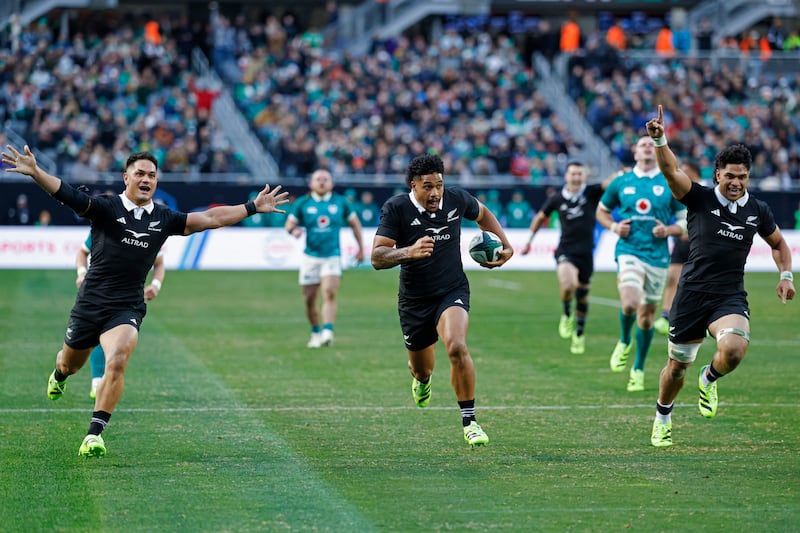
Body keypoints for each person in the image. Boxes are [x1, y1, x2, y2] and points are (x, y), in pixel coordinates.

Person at [2, 145, 289, 457]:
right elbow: (67, 193)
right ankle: (59, 375)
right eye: (140, 173)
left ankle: (94, 434)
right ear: (126, 177)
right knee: (69, 364)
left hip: (126, 306)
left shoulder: (164, 218)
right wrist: (35, 172)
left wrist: (251, 206)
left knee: (119, 358)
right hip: (90, 304)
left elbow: (210, 217)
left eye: (152, 175)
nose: (146, 179)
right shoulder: (106, 208)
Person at [646, 106, 795, 447]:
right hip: (692, 295)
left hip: (728, 296)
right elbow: (671, 171)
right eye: (730, 176)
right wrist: (660, 140)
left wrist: (786, 275)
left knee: (733, 350)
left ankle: (709, 378)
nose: (736, 183)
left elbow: (779, 244)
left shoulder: (757, 210)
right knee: (676, 369)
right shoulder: (698, 198)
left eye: (742, 177)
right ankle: (663, 417)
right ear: (717, 175)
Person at [370, 154, 513, 447]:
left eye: (439, 185)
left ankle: (470, 421)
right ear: (414, 186)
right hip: (414, 301)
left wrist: (506, 244)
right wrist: (408, 251)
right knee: (422, 369)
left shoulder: (457, 200)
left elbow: (483, 214)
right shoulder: (396, 208)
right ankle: (422, 382)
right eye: (428, 186)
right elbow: (377, 258)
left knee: (457, 346)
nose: (435, 193)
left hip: (452, 290)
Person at [596, 136, 687, 392]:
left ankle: (638, 368)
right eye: (642, 144)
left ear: (657, 151)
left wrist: (668, 230)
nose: (647, 146)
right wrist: (614, 225)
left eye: (651, 143)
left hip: (657, 258)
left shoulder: (669, 182)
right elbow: (601, 211)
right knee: (629, 303)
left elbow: (684, 221)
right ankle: (625, 340)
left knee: (646, 319)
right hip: (629, 250)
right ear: (635, 152)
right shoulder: (621, 181)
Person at [521, 161, 610, 355]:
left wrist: (624, 173)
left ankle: (579, 333)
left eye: (580, 174)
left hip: (587, 253)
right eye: (573, 174)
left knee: (583, 295)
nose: (576, 177)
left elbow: (610, 183)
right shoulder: (557, 198)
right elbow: (539, 217)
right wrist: (528, 241)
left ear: (584, 176)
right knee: (569, 286)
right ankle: (566, 313)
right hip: (565, 251)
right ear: (566, 176)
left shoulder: (591, 193)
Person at [75, 232, 166, 399]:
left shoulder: (150, 230)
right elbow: (82, 252)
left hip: (128, 301)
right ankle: (91, 380)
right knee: (72, 359)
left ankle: (100, 382)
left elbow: (159, 263)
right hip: (97, 294)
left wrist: (155, 285)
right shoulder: (106, 223)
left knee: (117, 343)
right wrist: (81, 273)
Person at [285, 169, 364, 348]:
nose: (321, 182)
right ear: (311, 184)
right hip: (310, 257)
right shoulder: (302, 203)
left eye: (325, 179)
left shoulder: (341, 202)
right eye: (318, 179)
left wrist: (360, 248)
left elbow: (355, 224)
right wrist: (294, 230)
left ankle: (328, 331)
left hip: (332, 255)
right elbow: (289, 223)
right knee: (309, 299)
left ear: (331, 183)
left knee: (329, 291)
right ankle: (315, 332)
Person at [654, 161, 703, 335]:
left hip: (699, 244)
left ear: (695, 173)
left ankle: (700, 319)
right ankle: (665, 316)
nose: (682, 173)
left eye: (687, 170)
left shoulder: (705, 192)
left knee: (696, 282)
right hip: (680, 242)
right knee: (672, 278)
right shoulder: (680, 192)